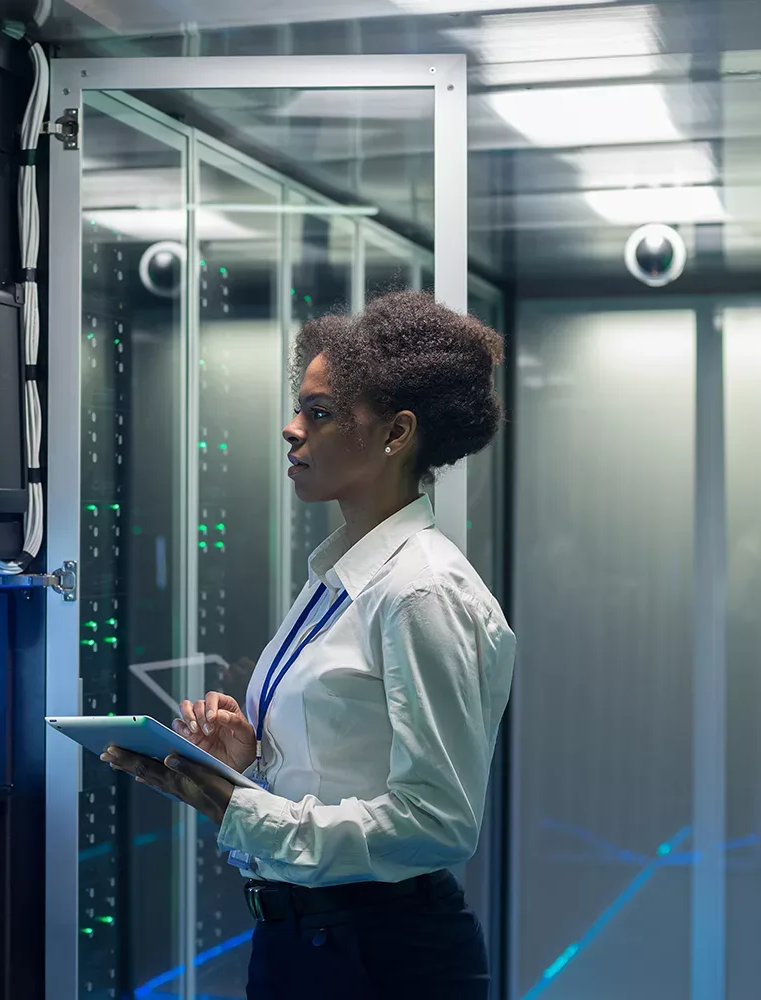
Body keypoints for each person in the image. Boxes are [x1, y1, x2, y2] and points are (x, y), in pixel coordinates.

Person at [101, 292, 515, 999]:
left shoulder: (419, 590)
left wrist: (243, 811)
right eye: (300, 409)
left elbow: (437, 824)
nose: (291, 430)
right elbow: (340, 773)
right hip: (307, 941)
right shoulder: (343, 574)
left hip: (382, 955)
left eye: (319, 413)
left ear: (396, 433)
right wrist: (246, 765)